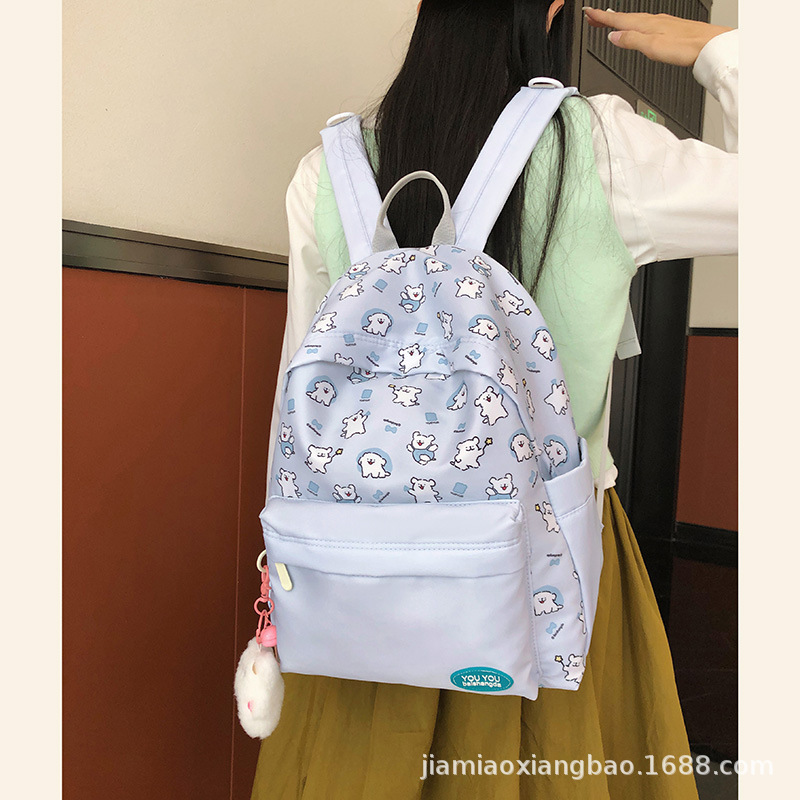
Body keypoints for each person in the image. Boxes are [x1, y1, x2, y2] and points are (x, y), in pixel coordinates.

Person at [253, 4, 737, 798]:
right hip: (541, 568)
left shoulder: (329, 168)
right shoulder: (602, 147)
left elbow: (300, 406)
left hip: (358, 573)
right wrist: (724, 56)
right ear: (549, 9)